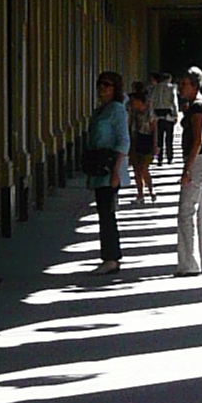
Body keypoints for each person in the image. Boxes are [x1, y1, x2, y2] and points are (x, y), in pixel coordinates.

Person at [83, 70, 129, 271]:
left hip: (110, 169)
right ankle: (110, 256)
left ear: (115, 88)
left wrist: (117, 171)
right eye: (100, 84)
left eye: (107, 85)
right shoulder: (100, 110)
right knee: (103, 212)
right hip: (98, 167)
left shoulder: (117, 110)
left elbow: (123, 140)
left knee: (107, 213)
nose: (102, 88)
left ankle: (111, 258)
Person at [176, 65, 202, 276]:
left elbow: (198, 140)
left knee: (186, 211)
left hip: (197, 161)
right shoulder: (200, 103)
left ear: (194, 85)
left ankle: (188, 263)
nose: (180, 87)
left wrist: (186, 170)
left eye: (184, 84)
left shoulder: (198, 107)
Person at [127, 81, 157, 205]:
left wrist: (156, 145)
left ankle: (150, 190)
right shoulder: (132, 110)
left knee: (143, 168)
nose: (132, 104)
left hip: (146, 141)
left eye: (134, 102)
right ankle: (140, 194)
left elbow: (154, 127)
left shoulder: (149, 109)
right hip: (135, 140)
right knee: (136, 169)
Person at [150, 71, 177, 166]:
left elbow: (152, 101)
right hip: (168, 115)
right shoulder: (171, 87)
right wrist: (175, 114)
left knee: (159, 138)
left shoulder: (156, 88)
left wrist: (151, 114)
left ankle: (159, 158)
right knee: (169, 138)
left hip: (158, 115)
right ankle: (170, 157)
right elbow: (174, 101)